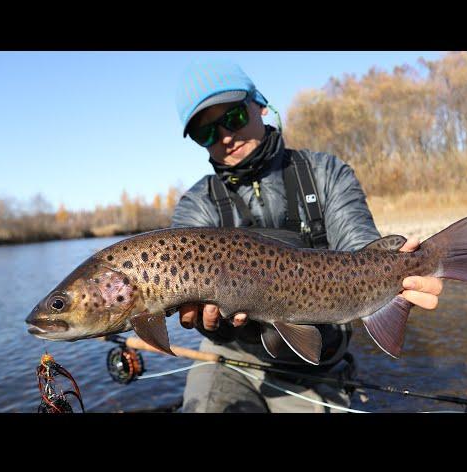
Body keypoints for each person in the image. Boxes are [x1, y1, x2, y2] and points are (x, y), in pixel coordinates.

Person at [169, 59, 443, 412]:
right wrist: (216, 327)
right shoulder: (196, 206)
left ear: (261, 105)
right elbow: (188, 305)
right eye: (205, 133)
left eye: (233, 117)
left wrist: (399, 274)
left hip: (319, 366)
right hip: (231, 360)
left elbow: (359, 246)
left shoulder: (326, 173)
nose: (224, 136)